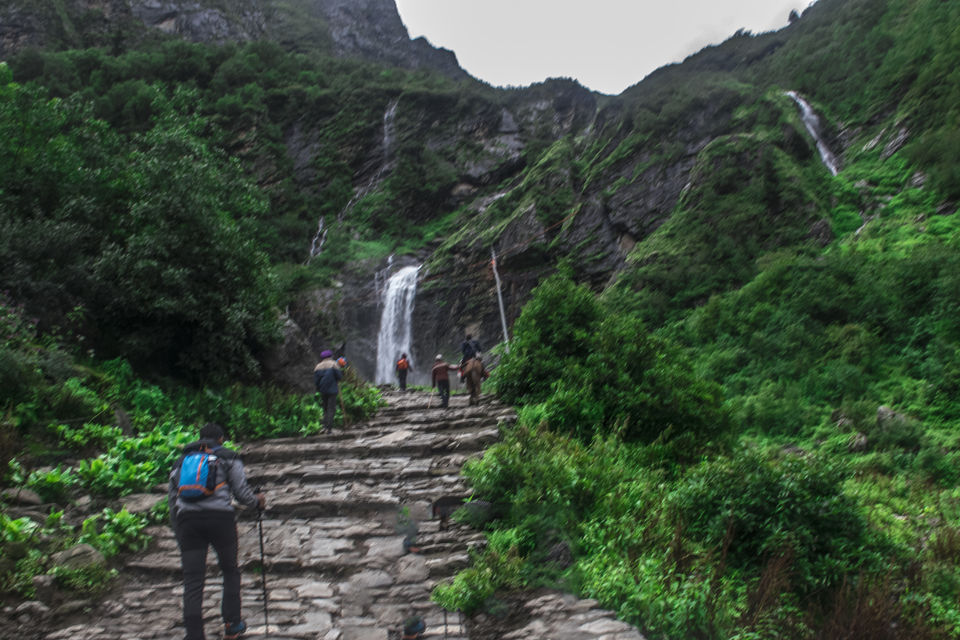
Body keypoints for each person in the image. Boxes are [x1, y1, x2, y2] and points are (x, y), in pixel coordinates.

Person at [168, 423, 265, 640]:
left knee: (193, 579)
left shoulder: (181, 462)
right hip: (220, 519)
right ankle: (232, 624)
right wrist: (256, 502)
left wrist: (179, 531)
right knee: (230, 570)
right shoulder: (228, 457)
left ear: (199, 438)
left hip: (188, 522)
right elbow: (241, 493)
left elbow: (172, 501)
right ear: (220, 439)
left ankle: (194, 635)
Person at [314, 350, 343, 430]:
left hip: (323, 390)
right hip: (332, 390)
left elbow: (316, 381)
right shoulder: (334, 364)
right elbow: (339, 377)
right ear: (330, 356)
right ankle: (329, 427)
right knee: (331, 408)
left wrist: (318, 389)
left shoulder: (318, 366)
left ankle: (324, 426)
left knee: (325, 408)